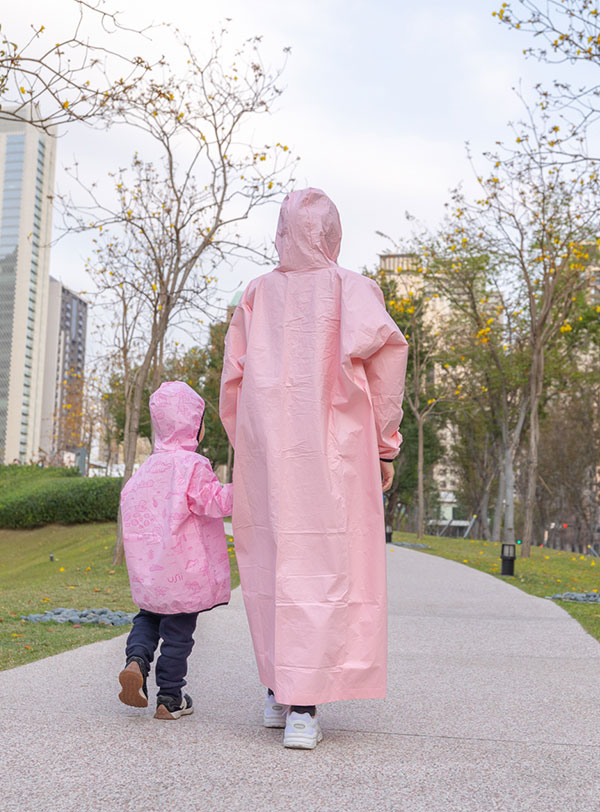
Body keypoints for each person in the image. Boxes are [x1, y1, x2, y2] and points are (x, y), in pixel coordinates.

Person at [220, 188, 407, 750]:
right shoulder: (353, 290)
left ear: (281, 231)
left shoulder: (257, 294)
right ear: (333, 233)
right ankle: (301, 703)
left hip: (269, 452)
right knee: (326, 564)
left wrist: (248, 443)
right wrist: (383, 446)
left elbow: (234, 380)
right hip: (338, 456)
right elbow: (387, 367)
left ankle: (283, 692)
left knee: (274, 562)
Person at [116, 382, 233, 720]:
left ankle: (136, 661)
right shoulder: (192, 465)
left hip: (151, 569)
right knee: (178, 633)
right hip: (184, 570)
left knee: (147, 617)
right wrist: (246, 490)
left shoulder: (147, 469)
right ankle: (170, 697)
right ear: (194, 424)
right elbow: (213, 501)